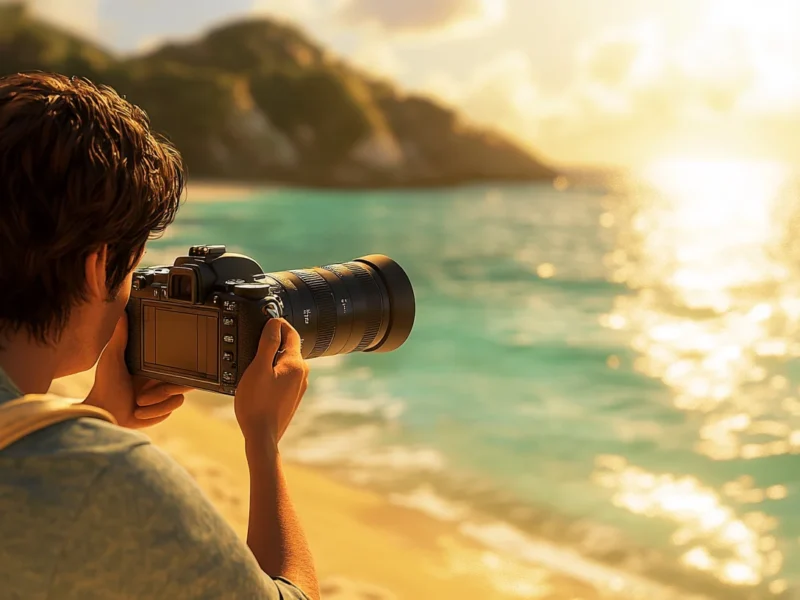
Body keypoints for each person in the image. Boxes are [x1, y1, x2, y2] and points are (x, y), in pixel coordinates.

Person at [0, 72, 319, 600]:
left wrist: (95, 414)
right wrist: (263, 442)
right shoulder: (102, 481)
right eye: (132, 272)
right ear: (97, 265)